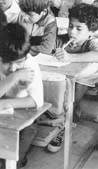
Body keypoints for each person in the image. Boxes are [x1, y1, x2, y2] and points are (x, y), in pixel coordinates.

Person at [47, 3, 98, 153]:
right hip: (76, 76)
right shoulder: (62, 40)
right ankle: (68, 123)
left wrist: (70, 56)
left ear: (91, 32)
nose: (72, 32)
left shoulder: (92, 41)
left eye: (79, 28)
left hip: (97, 74)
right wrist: (54, 53)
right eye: (70, 26)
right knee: (70, 101)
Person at [0, 22, 43, 168]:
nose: (13, 68)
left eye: (18, 63)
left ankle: (20, 159)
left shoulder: (30, 64)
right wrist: (13, 78)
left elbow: (36, 100)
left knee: (11, 161)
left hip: (24, 124)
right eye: (6, 63)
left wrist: (5, 103)